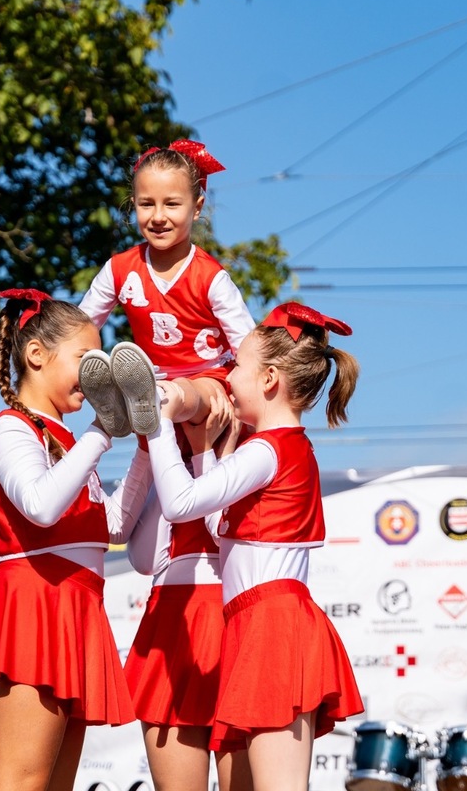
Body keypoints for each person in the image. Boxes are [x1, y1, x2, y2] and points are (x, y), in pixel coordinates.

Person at [144, 301, 365, 791]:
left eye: (237, 367)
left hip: (271, 626)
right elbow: (221, 525)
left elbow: (181, 505)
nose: (228, 378)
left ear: (268, 379)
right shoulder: (281, 447)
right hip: (258, 623)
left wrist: (155, 419)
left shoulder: (268, 449)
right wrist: (208, 452)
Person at [0, 289, 156, 791]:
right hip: (34, 606)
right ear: (37, 355)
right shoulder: (12, 429)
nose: (97, 374)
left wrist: (148, 444)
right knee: (20, 783)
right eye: (87, 359)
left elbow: (113, 527)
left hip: (76, 609)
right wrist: (101, 433)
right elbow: (39, 506)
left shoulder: (68, 441)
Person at [78, 140, 256, 437]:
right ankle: (120, 401)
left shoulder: (211, 278)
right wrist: (70, 363)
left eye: (172, 204)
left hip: (209, 386)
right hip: (149, 386)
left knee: (179, 393)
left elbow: (248, 349)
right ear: (134, 204)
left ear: (196, 208)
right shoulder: (119, 269)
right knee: (144, 473)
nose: (158, 216)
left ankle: (137, 401)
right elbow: (79, 328)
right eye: (147, 204)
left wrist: (254, 409)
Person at [125, 406, 253, 791]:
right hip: (173, 624)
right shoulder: (167, 468)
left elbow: (224, 534)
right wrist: (168, 457)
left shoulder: (252, 457)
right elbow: (145, 560)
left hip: (232, 622)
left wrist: (207, 455)